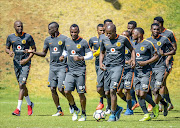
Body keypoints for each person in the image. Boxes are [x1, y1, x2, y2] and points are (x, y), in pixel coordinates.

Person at [27, 22, 69, 116]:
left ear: (56, 28)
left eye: (50, 29)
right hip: (53, 67)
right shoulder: (47, 40)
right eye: (48, 28)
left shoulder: (64, 39)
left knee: (61, 89)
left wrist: (65, 59)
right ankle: (59, 110)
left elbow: (68, 51)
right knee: (52, 89)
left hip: (62, 67)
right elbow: (43, 54)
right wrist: (33, 52)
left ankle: (72, 104)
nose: (49, 30)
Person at [100, 24, 136, 121]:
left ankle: (112, 114)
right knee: (106, 92)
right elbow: (102, 52)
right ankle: (118, 108)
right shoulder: (104, 40)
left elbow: (132, 49)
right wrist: (100, 63)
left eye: (110, 33)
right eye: (106, 33)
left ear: (115, 32)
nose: (108, 35)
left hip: (119, 67)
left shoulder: (123, 39)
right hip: (108, 68)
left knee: (113, 90)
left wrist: (133, 59)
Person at [60, 24, 93, 121]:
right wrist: (63, 57)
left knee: (81, 93)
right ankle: (75, 109)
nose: (73, 34)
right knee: (66, 91)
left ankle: (83, 114)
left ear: (78, 32)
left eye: (75, 32)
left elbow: (90, 55)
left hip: (80, 71)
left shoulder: (83, 42)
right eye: (72, 32)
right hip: (70, 71)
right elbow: (66, 52)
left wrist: (81, 58)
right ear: (70, 32)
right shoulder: (67, 41)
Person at [5, 21, 36, 116]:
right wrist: (9, 52)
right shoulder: (10, 37)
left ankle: (18, 109)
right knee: (21, 86)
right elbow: (6, 48)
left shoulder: (28, 37)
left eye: (21, 26)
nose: (20, 28)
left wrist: (27, 60)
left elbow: (34, 49)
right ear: (14, 27)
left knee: (22, 84)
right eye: (18, 26)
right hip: (16, 64)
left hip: (25, 64)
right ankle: (29, 104)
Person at [147, 23, 175, 117]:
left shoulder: (164, 39)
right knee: (153, 91)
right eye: (154, 29)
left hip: (161, 68)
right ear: (151, 30)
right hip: (150, 69)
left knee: (156, 89)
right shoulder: (147, 41)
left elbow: (173, 50)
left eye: (157, 30)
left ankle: (154, 112)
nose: (156, 31)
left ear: (160, 30)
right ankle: (164, 103)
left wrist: (165, 55)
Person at [132, 27, 159, 121]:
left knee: (142, 93)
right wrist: (131, 62)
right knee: (138, 93)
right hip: (136, 72)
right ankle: (146, 114)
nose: (132, 35)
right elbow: (132, 57)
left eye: (133, 33)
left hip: (146, 72)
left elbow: (156, 56)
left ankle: (155, 106)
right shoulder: (132, 44)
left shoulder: (148, 44)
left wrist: (146, 62)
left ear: (139, 34)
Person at [154, 16, 177, 111]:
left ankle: (161, 105)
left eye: (157, 24)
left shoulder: (169, 33)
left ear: (161, 24)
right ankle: (169, 104)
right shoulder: (155, 33)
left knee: (161, 82)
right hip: (158, 63)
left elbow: (174, 48)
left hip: (167, 62)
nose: (155, 26)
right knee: (162, 83)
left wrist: (168, 58)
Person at [94, 19, 113, 114]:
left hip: (110, 66)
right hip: (101, 65)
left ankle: (109, 106)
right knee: (99, 88)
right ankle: (107, 102)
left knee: (108, 89)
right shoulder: (102, 37)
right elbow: (101, 51)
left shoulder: (114, 38)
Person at [117, 30, 135, 115]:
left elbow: (133, 57)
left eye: (126, 36)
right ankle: (131, 103)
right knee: (118, 91)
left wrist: (130, 61)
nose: (123, 37)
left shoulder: (131, 46)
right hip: (120, 71)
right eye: (122, 35)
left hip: (128, 70)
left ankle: (129, 109)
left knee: (127, 89)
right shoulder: (118, 45)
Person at [89, 24, 105, 110]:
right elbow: (87, 51)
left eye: (103, 30)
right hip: (98, 63)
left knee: (105, 83)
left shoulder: (106, 39)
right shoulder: (93, 39)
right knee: (99, 83)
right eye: (100, 30)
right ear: (97, 30)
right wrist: (92, 51)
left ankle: (106, 103)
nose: (102, 32)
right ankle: (101, 101)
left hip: (106, 63)